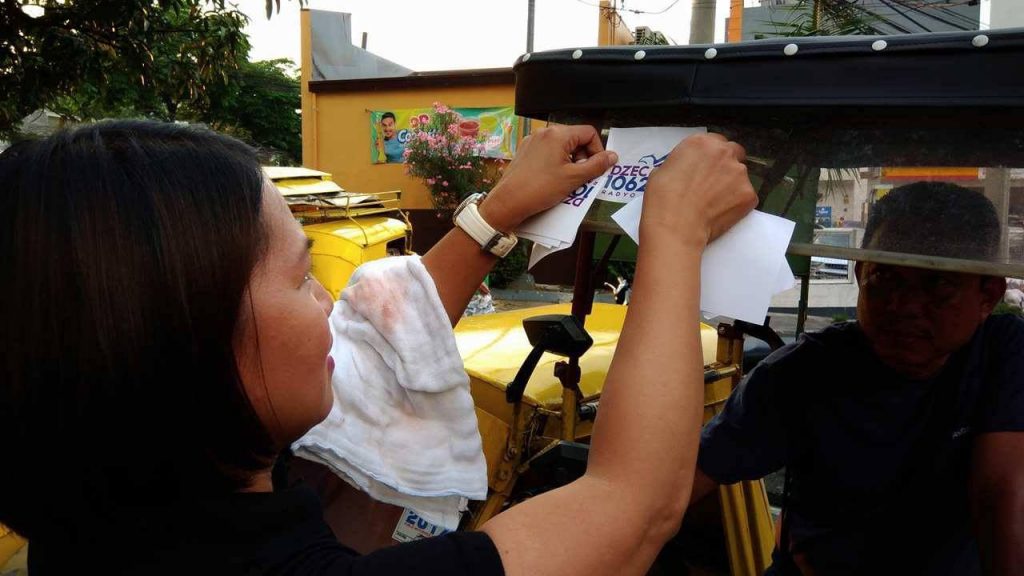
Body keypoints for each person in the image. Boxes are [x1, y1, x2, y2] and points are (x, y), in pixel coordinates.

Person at [0, 120, 756, 574]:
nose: (329, 303)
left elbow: (386, 347)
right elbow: (631, 506)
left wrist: (495, 214)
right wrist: (674, 231)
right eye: (302, 277)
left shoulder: (94, 514)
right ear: (188, 347)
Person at [690, 182, 1024, 575]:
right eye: (886, 278)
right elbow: (684, 483)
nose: (904, 306)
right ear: (861, 273)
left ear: (988, 295)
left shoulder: (1002, 354)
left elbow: (999, 494)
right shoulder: (802, 372)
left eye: (938, 286)